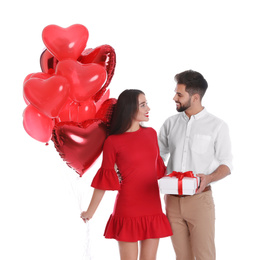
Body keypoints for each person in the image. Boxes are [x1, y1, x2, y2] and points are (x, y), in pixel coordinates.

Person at [81, 89, 172, 260]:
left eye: (147, 104)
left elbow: (159, 171)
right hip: (128, 209)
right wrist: (90, 212)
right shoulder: (112, 142)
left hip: (153, 207)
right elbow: (104, 180)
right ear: (130, 109)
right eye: (143, 105)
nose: (148, 108)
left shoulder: (151, 134)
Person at [158, 70, 233, 260]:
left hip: (200, 201)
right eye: (176, 92)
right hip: (172, 201)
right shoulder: (170, 123)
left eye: (179, 94)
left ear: (196, 97)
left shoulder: (217, 126)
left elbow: (227, 164)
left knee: (205, 256)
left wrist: (209, 178)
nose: (174, 97)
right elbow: (157, 156)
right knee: (182, 257)